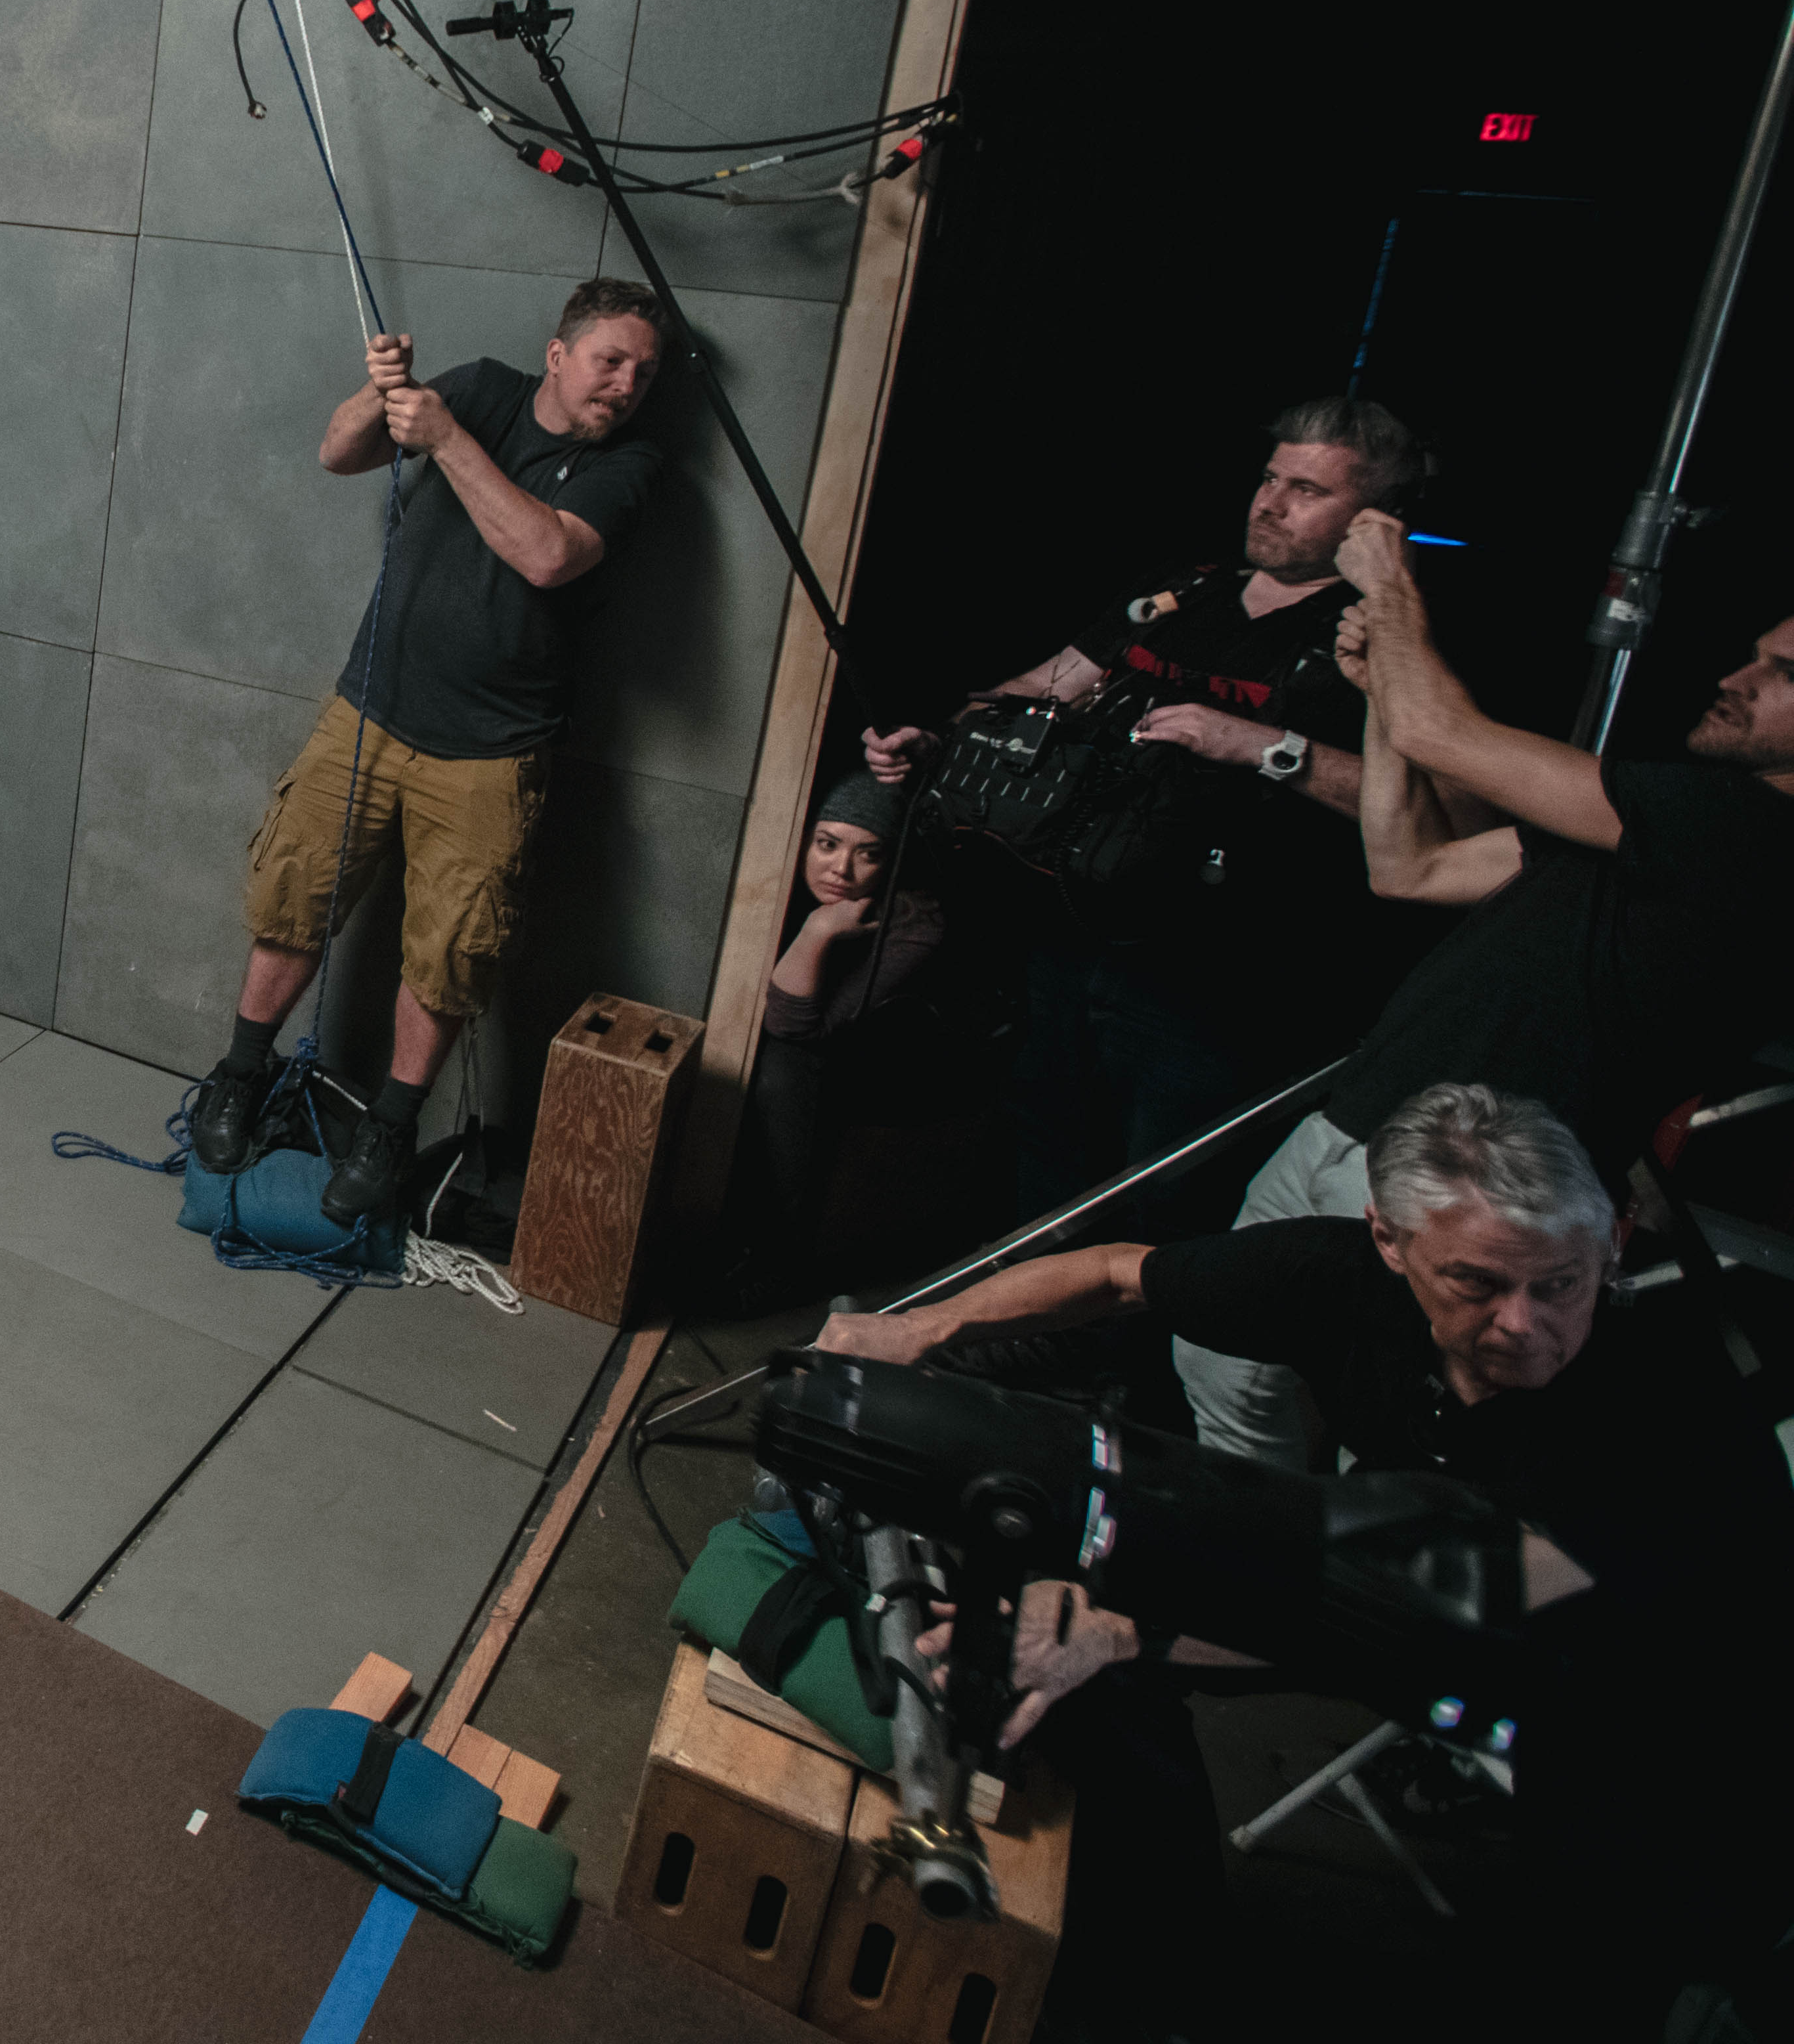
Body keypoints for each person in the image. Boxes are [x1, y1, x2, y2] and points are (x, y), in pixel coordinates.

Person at [818, 1083, 1791, 2035]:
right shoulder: (1340, 1280)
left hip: (1695, 1718)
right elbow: (1117, 1272)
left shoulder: (1668, 1425)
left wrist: (1117, 1630)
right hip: (1483, 1643)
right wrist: (922, 1328)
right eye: (1479, 1285)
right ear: (1389, 1242)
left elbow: (1407, 1613)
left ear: (1615, 1242)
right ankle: (1163, 1981)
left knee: (1611, 1967)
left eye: (1562, 1284)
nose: (1525, 1325)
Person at [1168, 518, 1794, 1463]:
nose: (1733, 678)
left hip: (1464, 1190)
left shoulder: (1747, 836)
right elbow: (1411, 865)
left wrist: (1390, 585)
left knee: (1353, 1410)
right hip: (1362, 1126)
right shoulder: (1671, 834)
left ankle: (1292, 1584)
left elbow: (1444, 735)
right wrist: (1384, 694)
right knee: (1228, 1367)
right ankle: (1255, 1561)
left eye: (1780, 672)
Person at [861, 399, 1428, 1242]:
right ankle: (1028, 1341)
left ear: (1375, 520)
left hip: (1226, 976)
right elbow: (1046, 686)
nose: (1269, 503)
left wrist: (1266, 745)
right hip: (1076, 931)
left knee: (1168, 1183)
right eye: (1270, 478)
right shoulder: (1180, 595)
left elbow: (1429, 807)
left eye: (1306, 490)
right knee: (1047, 1142)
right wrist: (940, 740)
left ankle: (1127, 1367)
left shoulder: (1379, 637)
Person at [190, 280, 669, 1218]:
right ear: (559, 353)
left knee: (450, 952)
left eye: (643, 373)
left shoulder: (635, 464)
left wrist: (445, 438)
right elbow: (340, 454)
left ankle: (390, 1128)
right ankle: (239, 1075)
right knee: (292, 896)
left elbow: (546, 555)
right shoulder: (486, 387)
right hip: (366, 713)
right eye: (610, 360)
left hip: (493, 755)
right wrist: (383, 392)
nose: (625, 384)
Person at [719, 770, 949, 1303]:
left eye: (868, 854)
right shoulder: (771, 873)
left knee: (785, 1069)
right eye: (827, 845)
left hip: (884, 1062)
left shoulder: (915, 923)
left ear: (893, 860)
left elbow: (798, 1027)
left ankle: (777, 1261)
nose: (840, 869)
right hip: (807, 1043)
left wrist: (819, 931)